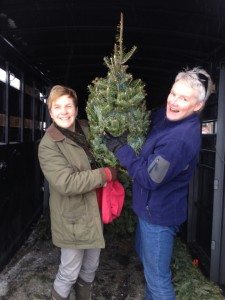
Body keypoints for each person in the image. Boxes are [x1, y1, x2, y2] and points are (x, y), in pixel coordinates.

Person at [103, 67, 214, 300]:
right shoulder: (167, 116)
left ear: (197, 106)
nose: (173, 102)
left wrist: (120, 149)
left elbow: (148, 178)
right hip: (150, 212)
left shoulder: (179, 141)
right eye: (173, 93)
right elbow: (152, 117)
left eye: (184, 98)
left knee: (158, 281)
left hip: (159, 218)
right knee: (147, 264)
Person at [38, 85, 117, 300]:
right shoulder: (49, 145)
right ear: (50, 111)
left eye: (68, 106)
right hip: (72, 217)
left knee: (91, 266)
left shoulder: (86, 130)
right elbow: (66, 182)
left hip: (93, 210)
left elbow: (106, 148)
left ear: (76, 108)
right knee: (69, 271)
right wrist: (105, 174)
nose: (64, 112)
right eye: (58, 107)